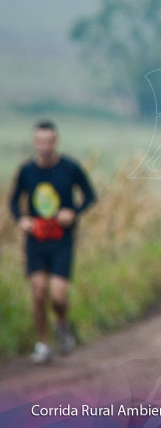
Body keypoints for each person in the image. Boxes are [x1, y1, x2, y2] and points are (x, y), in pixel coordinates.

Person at [8, 121, 97, 364]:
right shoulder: (26, 171)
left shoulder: (70, 168)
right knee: (38, 294)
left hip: (62, 241)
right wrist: (21, 220)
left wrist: (74, 213)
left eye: (48, 141)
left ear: (55, 141)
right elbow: (14, 201)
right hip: (35, 241)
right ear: (34, 143)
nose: (44, 146)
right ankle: (44, 344)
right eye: (39, 141)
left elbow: (90, 196)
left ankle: (62, 325)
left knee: (58, 296)